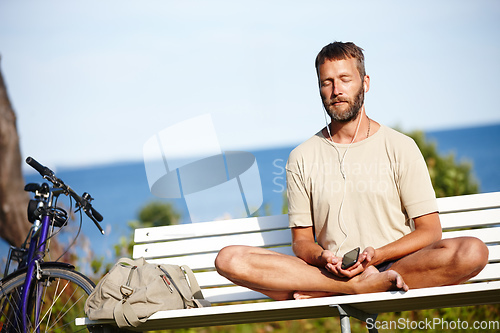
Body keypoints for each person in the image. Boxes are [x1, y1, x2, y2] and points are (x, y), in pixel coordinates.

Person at [215, 41, 489, 301]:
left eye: (345, 79)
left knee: (472, 252)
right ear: (320, 89)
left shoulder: (401, 146)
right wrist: (323, 258)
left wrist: (377, 256)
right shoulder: (301, 157)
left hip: (396, 263)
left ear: (365, 83)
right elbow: (301, 242)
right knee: (229, 259)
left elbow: (430, 231)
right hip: (330, 272)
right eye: (327, 82)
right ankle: (353, 287)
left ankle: (348, 288)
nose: (337, 90)